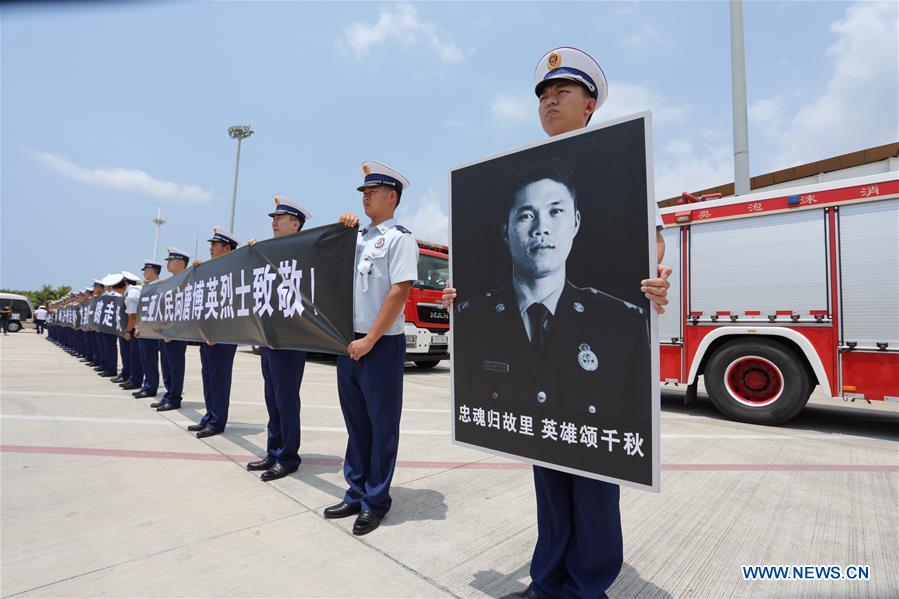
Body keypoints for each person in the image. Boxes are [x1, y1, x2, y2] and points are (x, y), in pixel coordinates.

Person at [442, 48, 671, 599]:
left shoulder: (623, 160)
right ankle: (547, 583)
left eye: (562, 93)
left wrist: (659, 277)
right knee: (549, 482)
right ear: (507, 229)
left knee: (593, 486)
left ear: (590, 105)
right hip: (530, 387)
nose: (550, 101)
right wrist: (459, 295)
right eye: (544, 95)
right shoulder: (509, 176)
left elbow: (653, 242)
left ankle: (587, 586)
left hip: (590, 375)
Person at [453, 160, 650, 421]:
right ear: (505, 230)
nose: (541, 229)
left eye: (555, 212)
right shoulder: (472, 319)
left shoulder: (622, 324)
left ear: (576, 222)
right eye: (526, 215)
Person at [325, 161, 418, 536]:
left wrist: (370, 339)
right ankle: (356, 490)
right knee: (356, 424)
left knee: (381, 426)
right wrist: (341, 230)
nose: (365, 198)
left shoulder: (400, 239)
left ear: (391, 196)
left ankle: (376, 500)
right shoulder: (357, 238)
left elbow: (399, 292)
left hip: (379, 345)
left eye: (372, 192)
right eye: (362, 193)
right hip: (349, 342)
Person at [245, 197, 312, 481]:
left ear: (295, 224)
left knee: (286, 399)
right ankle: (274, 451)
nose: (274, 222)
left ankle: (288, 456)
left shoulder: (305, 252)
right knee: (272, 397)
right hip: (269, 339)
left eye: (280, 218)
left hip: (291, 341)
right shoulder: (268, 253)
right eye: (273, 218)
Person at [188, 226, 240, 439]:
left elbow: (232, 306)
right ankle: (210, 415)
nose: (210, 248)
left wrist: (217, 333)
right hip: (207, 335)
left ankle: (218, 420)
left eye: (215, 244)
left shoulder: (235, 270)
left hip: (224, 336)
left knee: (219, 378)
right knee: (208, 376)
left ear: (226, 248)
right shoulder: (212, 269)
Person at [155, 247, 190, 412]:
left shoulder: (187, 280)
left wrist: (174, 330)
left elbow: (184, 309)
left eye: (170, 260)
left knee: (176, 366)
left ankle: (175, 397)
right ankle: (169, 394)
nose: (167, 263)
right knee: (166, 365)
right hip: (164, 331)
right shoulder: (168, 282)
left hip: (177, 332)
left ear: (181, 263)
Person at [134, 260, 164, 400]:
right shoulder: (146, 287)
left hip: (154, 330)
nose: (144, 273)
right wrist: (138, 326)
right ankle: (147, 385)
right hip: (145, 328)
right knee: (145, 359)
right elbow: (142, 310)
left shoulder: (160, 286)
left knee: (151, 360)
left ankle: (151, 387)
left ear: (152, 271)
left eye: (146, 271)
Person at [118, 271, 144, 391]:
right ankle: (134, 379)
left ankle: (135, 380)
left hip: (137, 329)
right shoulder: (137, 290)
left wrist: (128, 331)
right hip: (140, 327)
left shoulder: (131, 295)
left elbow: (132, 317)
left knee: (135, 356)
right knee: (136, 356)